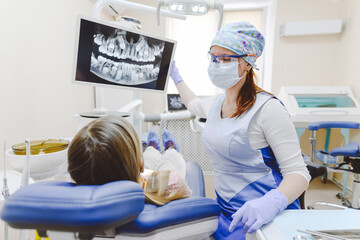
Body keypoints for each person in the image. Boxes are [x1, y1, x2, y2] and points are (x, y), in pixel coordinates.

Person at [170, 22, 311, 239]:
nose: (217, 64)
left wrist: (270, 204)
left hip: (266, 215)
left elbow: (299, 174)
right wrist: (176, 77)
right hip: (226, 210)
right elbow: (192, 103)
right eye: (214, 58)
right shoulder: (216, 104)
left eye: (226, 59)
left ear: (247, 63)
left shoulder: (268, 109)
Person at [67, 115, 191, 206]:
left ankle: (152, 147)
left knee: (146, 159)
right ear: (140, 165)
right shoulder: (172, 183)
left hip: (132, 175)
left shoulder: (74, 196)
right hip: (146, 181)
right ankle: (170, 148)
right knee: (170, 161)